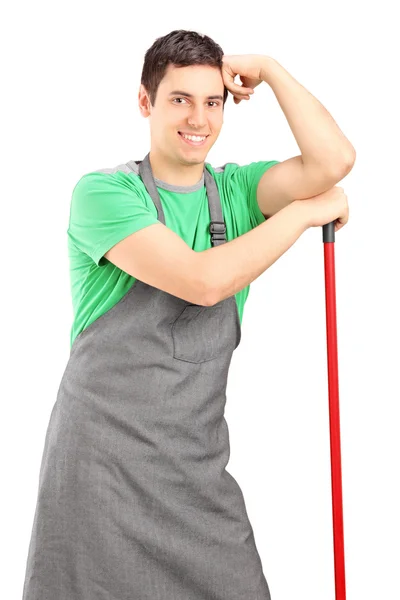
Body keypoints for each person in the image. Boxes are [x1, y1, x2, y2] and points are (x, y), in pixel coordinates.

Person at [22, 29, 351, 600]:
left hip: (195, 474)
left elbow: (335, 160)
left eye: (212, 101)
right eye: (180, 99)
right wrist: (301, 216)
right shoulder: (102, 194)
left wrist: (270, 69)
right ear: (145, 102)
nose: (198, 118)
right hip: (101, 473)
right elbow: (204, 281)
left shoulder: (237, 194)